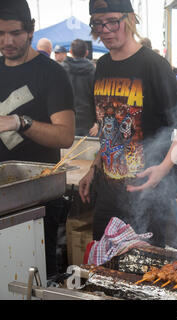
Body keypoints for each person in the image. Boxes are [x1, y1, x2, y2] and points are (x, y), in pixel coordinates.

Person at [78, 0, 177, 251]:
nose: (105, 29)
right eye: (98, 23)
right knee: (105, 267)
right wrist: (94, 169)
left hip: (148, 193)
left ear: (130, 19)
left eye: (112, 21)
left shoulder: (154, 65)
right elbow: (111, 129)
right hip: (108, 194)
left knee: (143, 275)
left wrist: (163, 169)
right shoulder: (102, 67)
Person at [0, 0, 75, 280]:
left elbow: (65, 135)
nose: (7, 41)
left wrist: (20, 122)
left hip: (38, 198)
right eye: (0, 33)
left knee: (38, 277)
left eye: (15, 33)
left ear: (30, 31)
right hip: (2, 194)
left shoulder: (51, 73)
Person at [62, 39, 96, 136]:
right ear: (86, 53)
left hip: (67, 121)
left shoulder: (61, 70)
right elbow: (97, 98)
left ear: (70, 52)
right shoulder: (93, 71)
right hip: (88, 122)